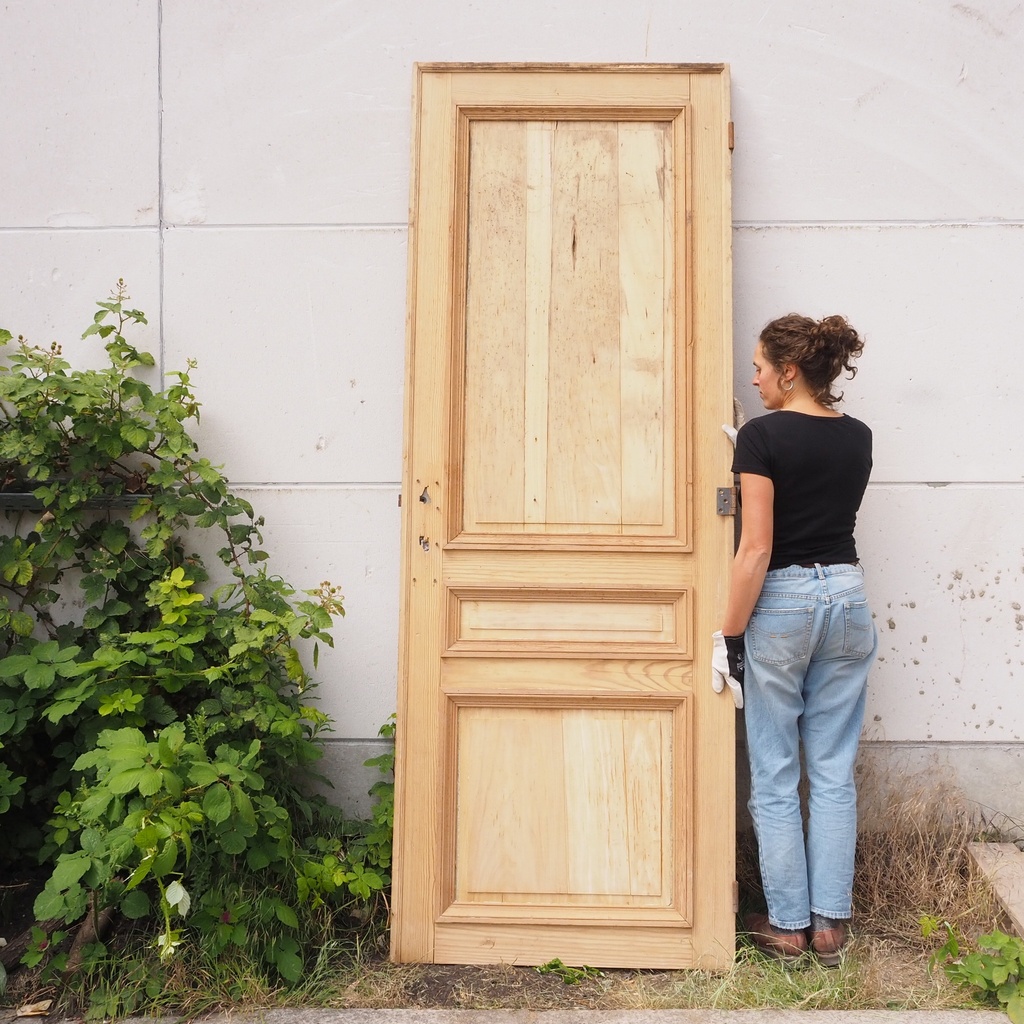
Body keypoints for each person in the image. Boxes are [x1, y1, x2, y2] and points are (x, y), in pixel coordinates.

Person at [711, 313, 878, 966]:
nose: (752, 379)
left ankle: (785, 926)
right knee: (833, 773)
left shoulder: (760, 437)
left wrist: (727, 637)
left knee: (777, 776)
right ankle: (829, 925)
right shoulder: (859, 437)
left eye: (758, 367)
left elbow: (754, 549)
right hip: (847, 597)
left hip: (782, 602)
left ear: (788, 370)